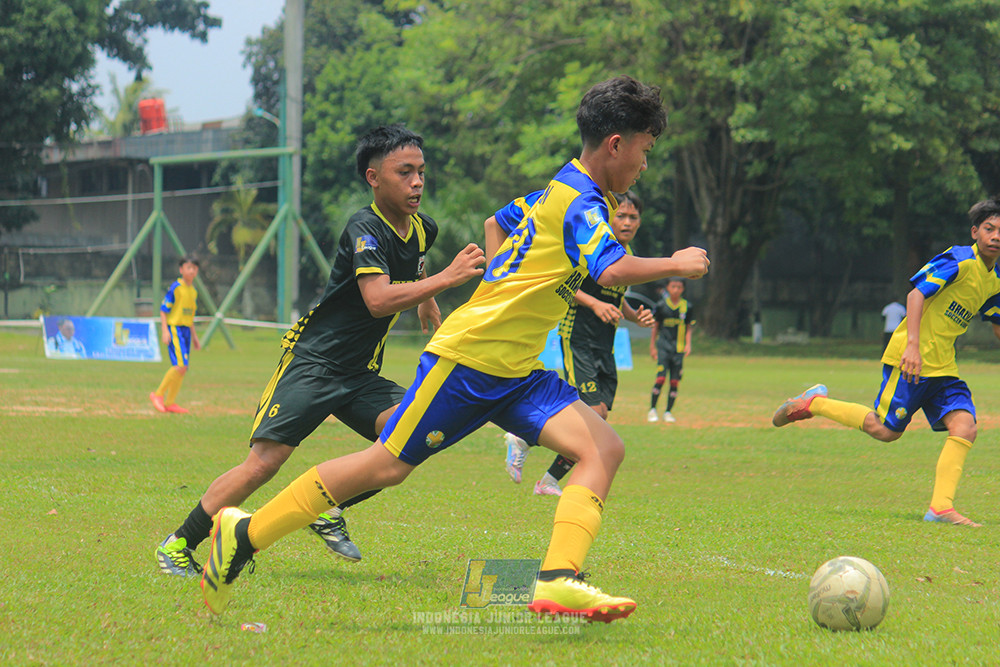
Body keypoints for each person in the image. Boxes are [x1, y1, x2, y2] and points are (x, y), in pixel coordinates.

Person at [199, 75, 709, 621]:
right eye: (645, 151)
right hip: (470, 361)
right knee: (386, 465)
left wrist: (501, 281)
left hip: (516, 370)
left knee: (603, 448)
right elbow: (611, 270)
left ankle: (558, 580)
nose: (644, 165)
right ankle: (243, 535)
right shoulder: (580, 202)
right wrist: (676, 263)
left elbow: (497, 222)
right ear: (616, 144)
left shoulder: (561, 189)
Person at [155, 125, 484, 577]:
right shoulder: (365, 228)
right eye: (404, 172)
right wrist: (446, 280)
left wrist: (426, 299)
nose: (417, 183)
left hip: (360, 373)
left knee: (412, 434)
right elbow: (377, 299)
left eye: (421, 172)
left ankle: (328, 507)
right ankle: (177, 544)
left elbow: (416, 260)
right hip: (314, 362)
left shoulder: (423, 228)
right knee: (263, 464)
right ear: (373, 177)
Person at [772, 197, 1000, 527]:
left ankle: (940, 508)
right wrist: (912, 347)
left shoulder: (995, 279)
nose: (996, 236)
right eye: (990, 229)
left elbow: (996, 322)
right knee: (885, 430)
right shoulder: (959, 259)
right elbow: (916, 294)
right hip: (912, 359)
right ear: (975, 231)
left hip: (944, 367)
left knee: (965, 426)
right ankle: (814, 403)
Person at [502, 190, 655, 497]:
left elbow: (616, 297)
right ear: (609, 217)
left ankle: (546, 478)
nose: (627, 222)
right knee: (593, 413)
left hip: (605, 345)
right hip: (578, 339)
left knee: (599, 415)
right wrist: (594, 304)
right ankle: (525, 439)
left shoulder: (624, 254)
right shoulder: (593, 246)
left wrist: (634, 317)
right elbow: (564, 284)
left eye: (633, 217)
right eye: (621, 216)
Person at [149, 257, 201, 414]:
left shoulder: (193, 292)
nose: (191, 271)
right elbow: (163, 310)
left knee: (183, 368)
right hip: (175, 329)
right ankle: (158, 394)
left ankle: (170, 402)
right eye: (188, 267)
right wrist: (165, 331)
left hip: (186, 331)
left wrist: (195, 337)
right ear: (181, 270)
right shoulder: (176, 288)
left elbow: (190, 317)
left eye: (194, 268)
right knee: (180, 365)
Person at [647, 277, 694, 423]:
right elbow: (655, 327)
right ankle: (652, 410)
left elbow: (688, 327)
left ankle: (668, 412)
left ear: (683, 289)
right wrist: (652, 346)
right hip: (663, 348)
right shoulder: (661, 305)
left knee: (674, 381)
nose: (676, 290)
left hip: (678, 349)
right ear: (667, 287)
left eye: (679, 287)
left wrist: (688, 344)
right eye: (673, 286)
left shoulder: (687, 306)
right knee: (660, 378)